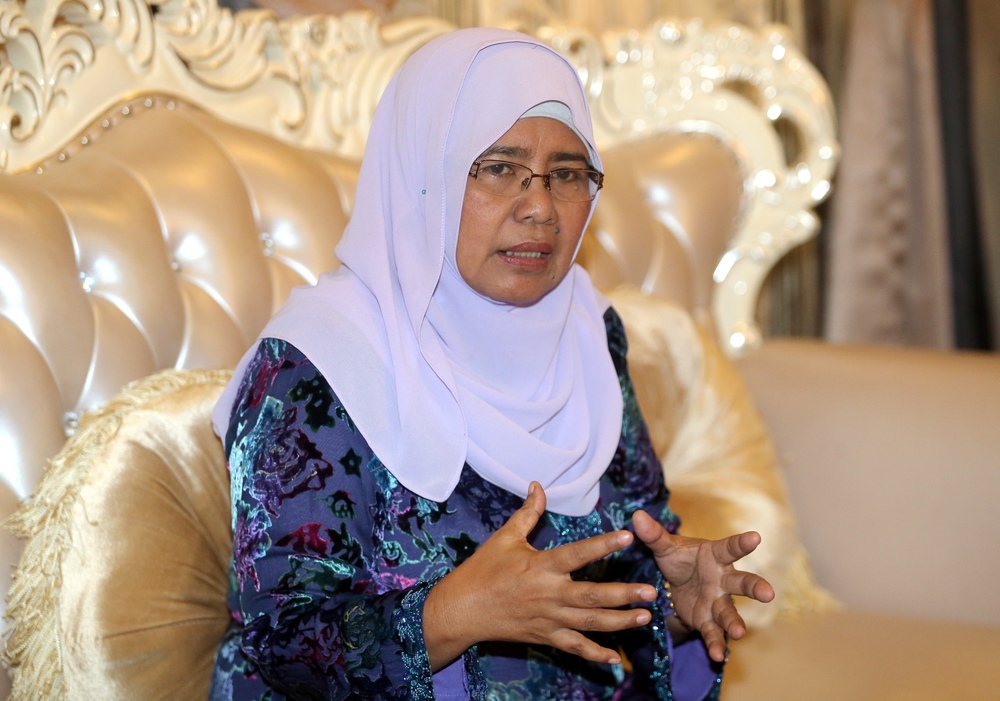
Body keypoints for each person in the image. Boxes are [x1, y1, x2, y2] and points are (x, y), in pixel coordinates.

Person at [209, 27, 774, 701]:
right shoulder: (315, 366)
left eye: (566, 173)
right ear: (425, 180)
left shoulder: (587, 334)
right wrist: (451, 615)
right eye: (500, 167)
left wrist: (671, 603)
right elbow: (280, 641)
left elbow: (626, 549)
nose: (540, 207)